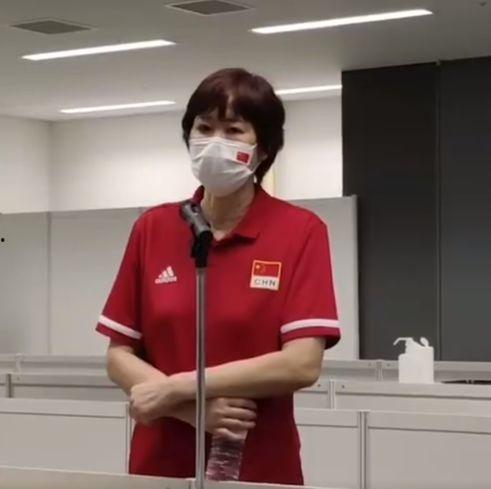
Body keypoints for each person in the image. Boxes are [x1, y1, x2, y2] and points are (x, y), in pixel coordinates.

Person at [96, 67, 341, 485]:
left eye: (233, 131)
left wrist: (179, 388)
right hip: (159, 465)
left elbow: (301, 364)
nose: (215, 143)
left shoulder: (300, 231)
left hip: (258, 465)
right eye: (205, 128)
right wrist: (192, 410)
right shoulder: (154, 228)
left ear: (264, 148)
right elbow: (119, 356)